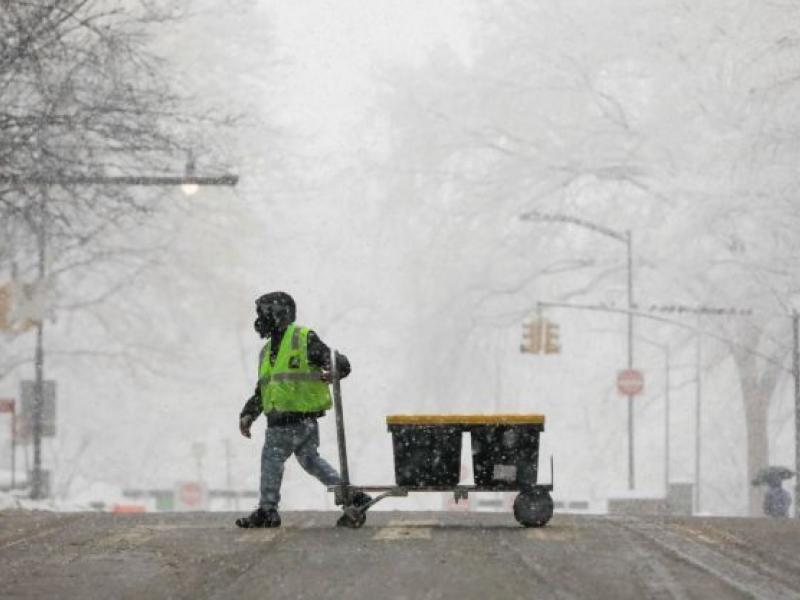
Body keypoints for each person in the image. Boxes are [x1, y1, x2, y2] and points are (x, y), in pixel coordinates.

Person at [235, 291, 370, 528]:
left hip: (289, 420)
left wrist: (337, 367)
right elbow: (263, 391)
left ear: (280, 314)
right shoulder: (266, 353)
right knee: (310, 460)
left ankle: (268, 509)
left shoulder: (301, 338)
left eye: (264, 313)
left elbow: (336, 360)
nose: (259, 320)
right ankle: (353, 496)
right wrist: (249, 412)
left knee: (271, 459)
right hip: (301, 422)